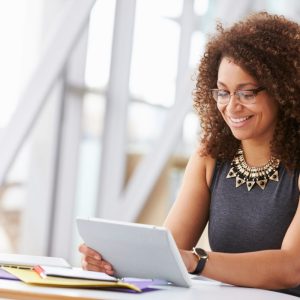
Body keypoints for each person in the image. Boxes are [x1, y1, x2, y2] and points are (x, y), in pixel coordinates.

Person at [79, 12, 300, 296]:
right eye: (223, 92)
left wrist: (197, 260)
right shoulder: (211, 157)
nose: (231, 107)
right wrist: (110, 263)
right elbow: (167, 253)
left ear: (285, 90)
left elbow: (290, 267)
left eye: (247, 93)